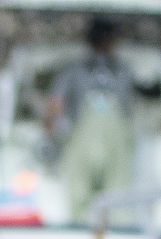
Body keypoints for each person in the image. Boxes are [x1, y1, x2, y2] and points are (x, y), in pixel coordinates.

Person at [46, 15, 138, 222]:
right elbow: (54, 104)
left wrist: (51, 130)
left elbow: (53, 105)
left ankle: (104, 231)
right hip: (83, 145)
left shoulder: (123, 69)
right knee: (85, 194)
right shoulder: (76, 69)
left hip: (113, 146)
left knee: (114, 195)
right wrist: (52, 132)